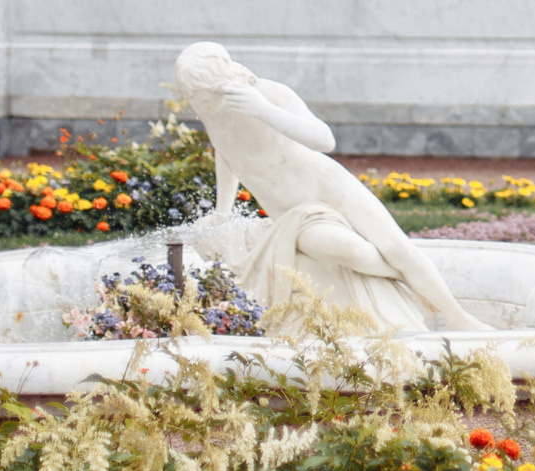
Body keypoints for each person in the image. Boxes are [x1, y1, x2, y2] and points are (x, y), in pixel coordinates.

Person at [173, 42, 486, 335]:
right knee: (350, 251)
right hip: (293, 215)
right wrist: (223, 211)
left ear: (220, 82)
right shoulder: (212, 110)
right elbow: (226, 150)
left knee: (396, 246)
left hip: (326, 184)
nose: (197, 104)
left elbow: (324, 139)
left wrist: (262, 109)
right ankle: (401, 277)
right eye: (193, 98)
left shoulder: (268, 94)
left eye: (200, 96)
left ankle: (456, 315)